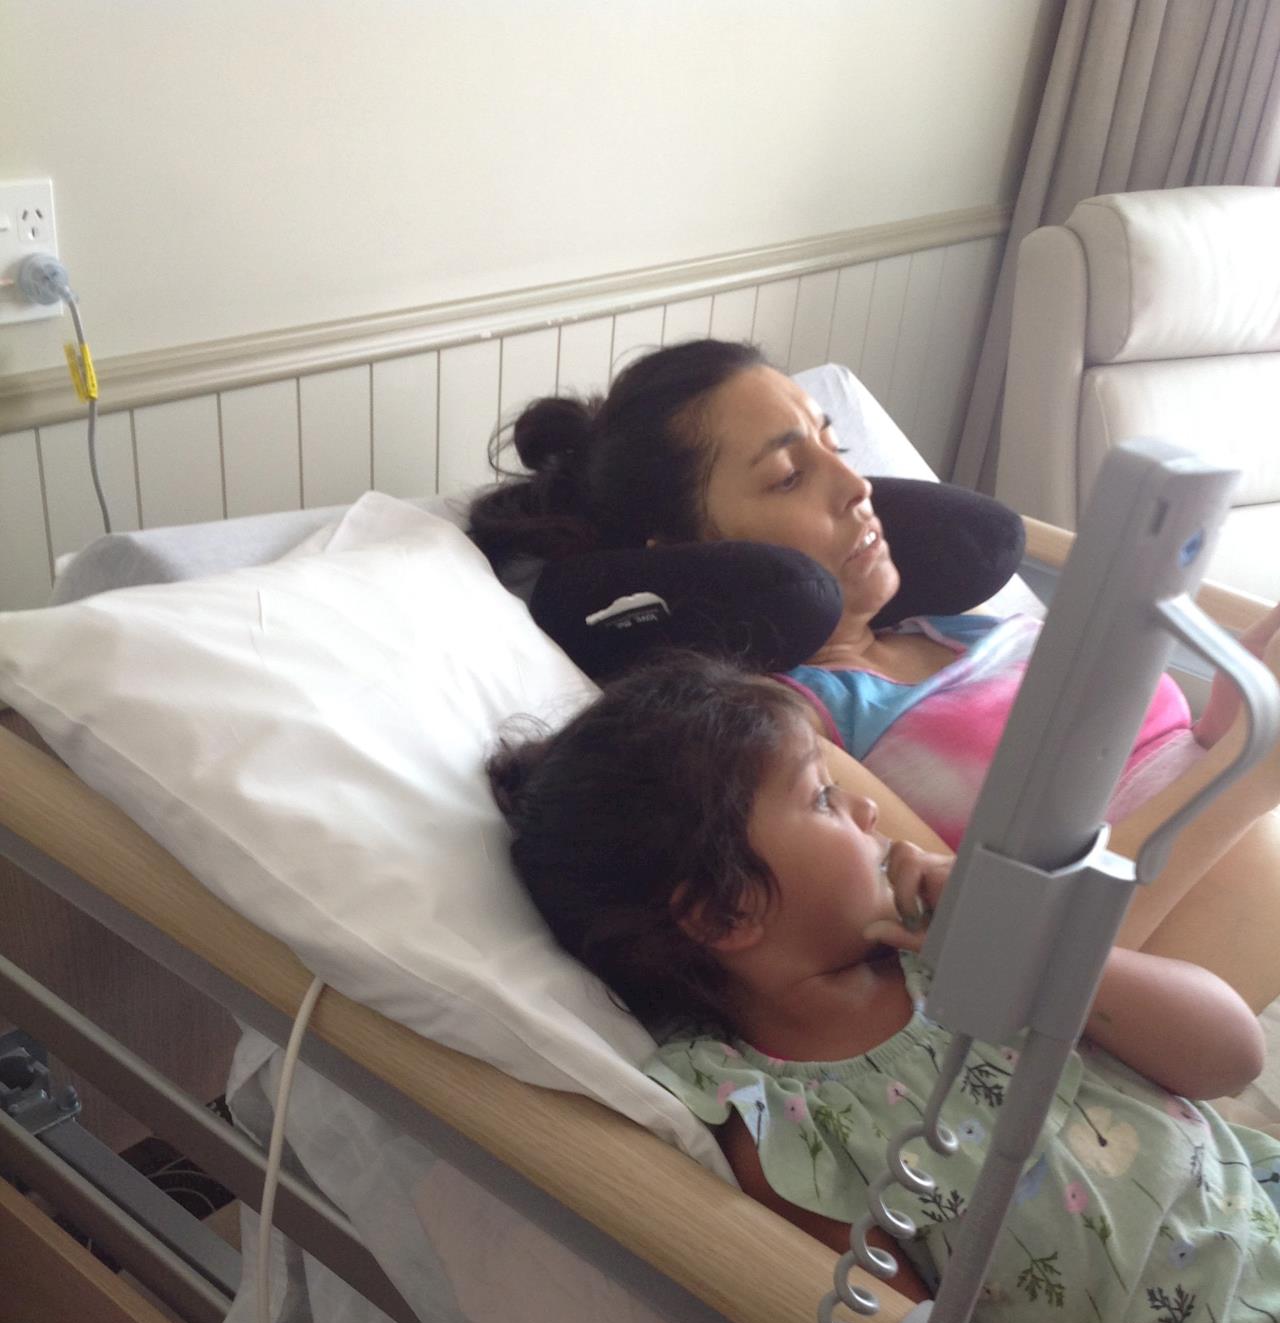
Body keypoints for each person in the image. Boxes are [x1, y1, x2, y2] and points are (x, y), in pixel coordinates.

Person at [488, 653, 1280, 1323]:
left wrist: (1037, 947)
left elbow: (1228, 1055)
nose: (867, 810)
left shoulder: (970, 957)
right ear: (725, 912)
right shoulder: (775, 1124)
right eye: (825, 797)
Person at [469, 339, 1280, 1011]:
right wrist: (1256, 769)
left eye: (838, 448)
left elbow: (1155, 768)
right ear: (690, 556)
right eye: (789, 476)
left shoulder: (961, 626)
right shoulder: (791, 732)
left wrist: (1234, 719)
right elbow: (986, 953)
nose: (858, 488)